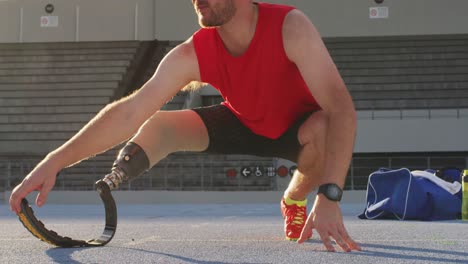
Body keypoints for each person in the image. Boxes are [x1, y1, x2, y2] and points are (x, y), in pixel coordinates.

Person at [9, 0, 361, 252]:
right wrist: (53, 161)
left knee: (325, 127)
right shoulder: (194, 51)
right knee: (157, 123)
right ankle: (117, 175)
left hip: (300, 129)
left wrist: (330, 195)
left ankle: (294, 199)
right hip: (240, 119)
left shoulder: (290, 27)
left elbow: (342, 108)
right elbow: (131, 111)